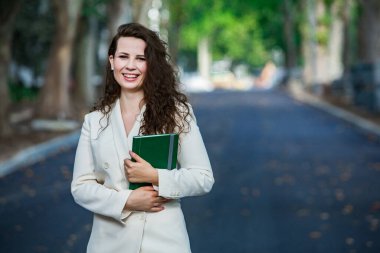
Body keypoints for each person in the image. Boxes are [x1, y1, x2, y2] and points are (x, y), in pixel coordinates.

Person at [71, 23, 214, 253]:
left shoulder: (175, 113)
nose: (130, 66)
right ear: (111, 61)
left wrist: (155, 176)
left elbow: (203, 178)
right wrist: (128, 201)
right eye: (123, 57)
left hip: (164, 242)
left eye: (140, 58)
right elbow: (81, 187)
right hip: (109, 244)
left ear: (151, 65)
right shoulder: (94, 121)